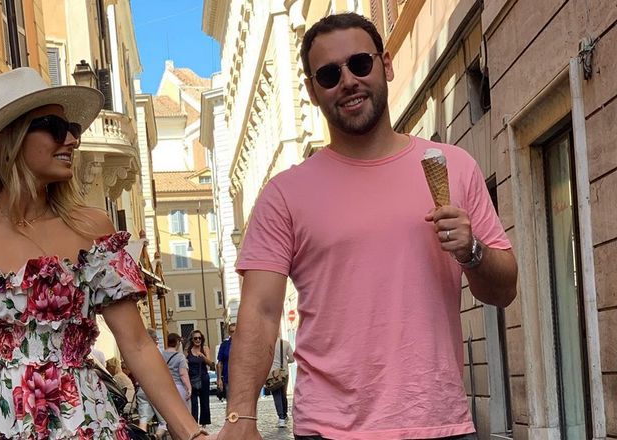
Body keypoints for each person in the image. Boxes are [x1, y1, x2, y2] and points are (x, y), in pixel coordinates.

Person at [215, 12, 518, 440]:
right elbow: (261, 312)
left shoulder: (454, 166)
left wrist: (472, 252)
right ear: (312, 91)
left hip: (438, 422)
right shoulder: (285, 194)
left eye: (360, 64)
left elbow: (503, 290)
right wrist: (241, 417)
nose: (348, 81)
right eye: (328, 74)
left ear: (385, 65)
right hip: (330, 429)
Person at [0, 67, 209, 440]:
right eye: (54, 127)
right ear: (8, 140)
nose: (71, 139)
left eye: (72, 128)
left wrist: (192, 433)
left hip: (88, 425)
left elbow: (136, 344)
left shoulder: (92, 229)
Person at [185, 330, 213, 427]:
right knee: (193, 402)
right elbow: (184, 363)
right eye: (195, 338)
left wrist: (203, 357)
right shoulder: (188, 350)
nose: (198, 340)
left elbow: (210, 364)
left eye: (199, 338)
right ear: (192, 340)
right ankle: (194, 422)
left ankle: (204, 422)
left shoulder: (205, 348)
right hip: (192, 379)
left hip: (203, 377)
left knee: (204, 401)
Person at [269, 337, 294, 428]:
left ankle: (281, 418)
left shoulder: (267, 344)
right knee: (283, 394)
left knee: (276, 395)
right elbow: (292, 358)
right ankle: (284, 414)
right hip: (284, 372)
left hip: (272, 373)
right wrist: (285, 361)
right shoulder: (286, 343)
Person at [215, 322, 235, 399]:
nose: (234, 333)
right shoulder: (224, 345)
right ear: (229, 333)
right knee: (231, 401)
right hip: (228, 378)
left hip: (243, 377)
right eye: (232, 331)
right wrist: (219, 379)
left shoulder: (244, 344)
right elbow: (219, 363)